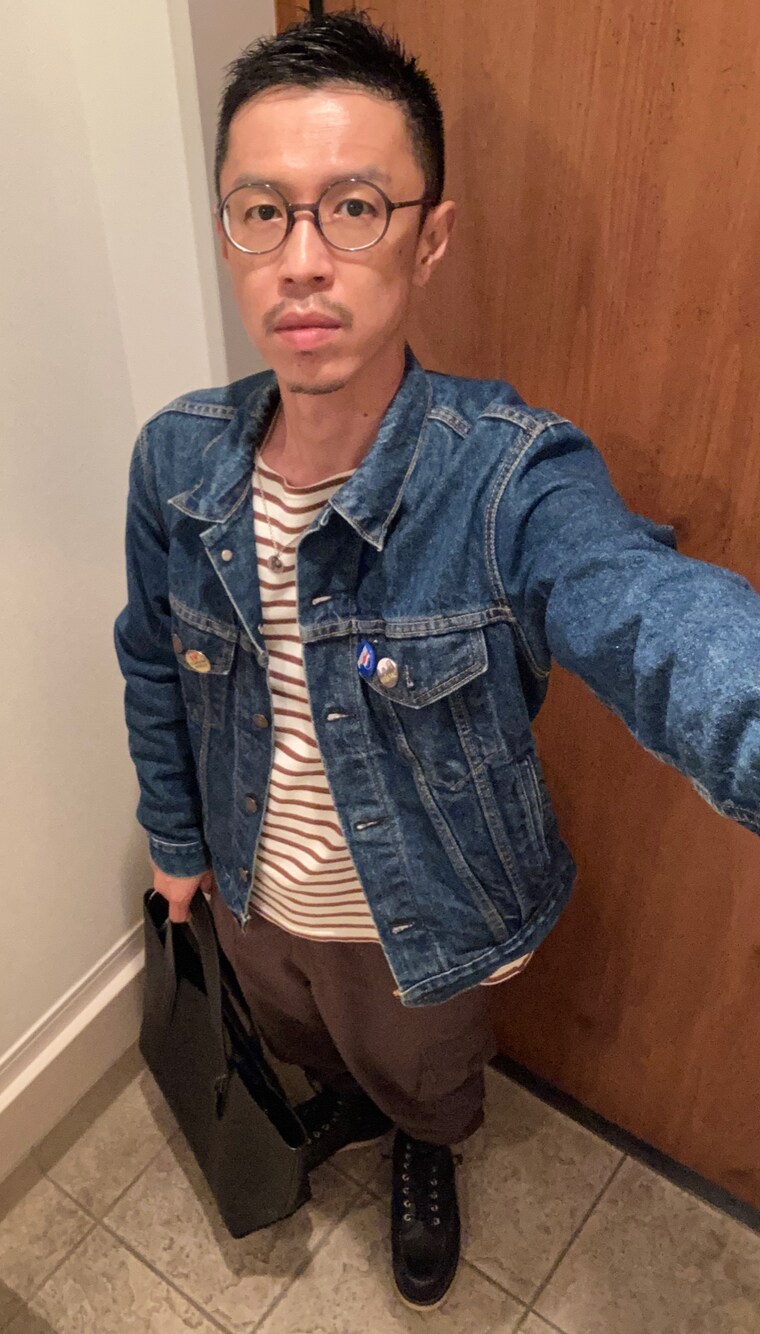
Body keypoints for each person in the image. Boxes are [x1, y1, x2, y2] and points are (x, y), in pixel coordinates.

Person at [113, 10, 760, 1311]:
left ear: (430, 236)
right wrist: (177, 842)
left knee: (427, 1072)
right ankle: (359, 1096)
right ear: (229, 233)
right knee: (303, 1033)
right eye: (262, 213)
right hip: (255, 890)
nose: (303, 261)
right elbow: (150, 662)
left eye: (355, 208)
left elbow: (653, 619)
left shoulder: (510, 477)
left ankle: (425, 1142)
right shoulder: (176, 460)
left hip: (430, 914)